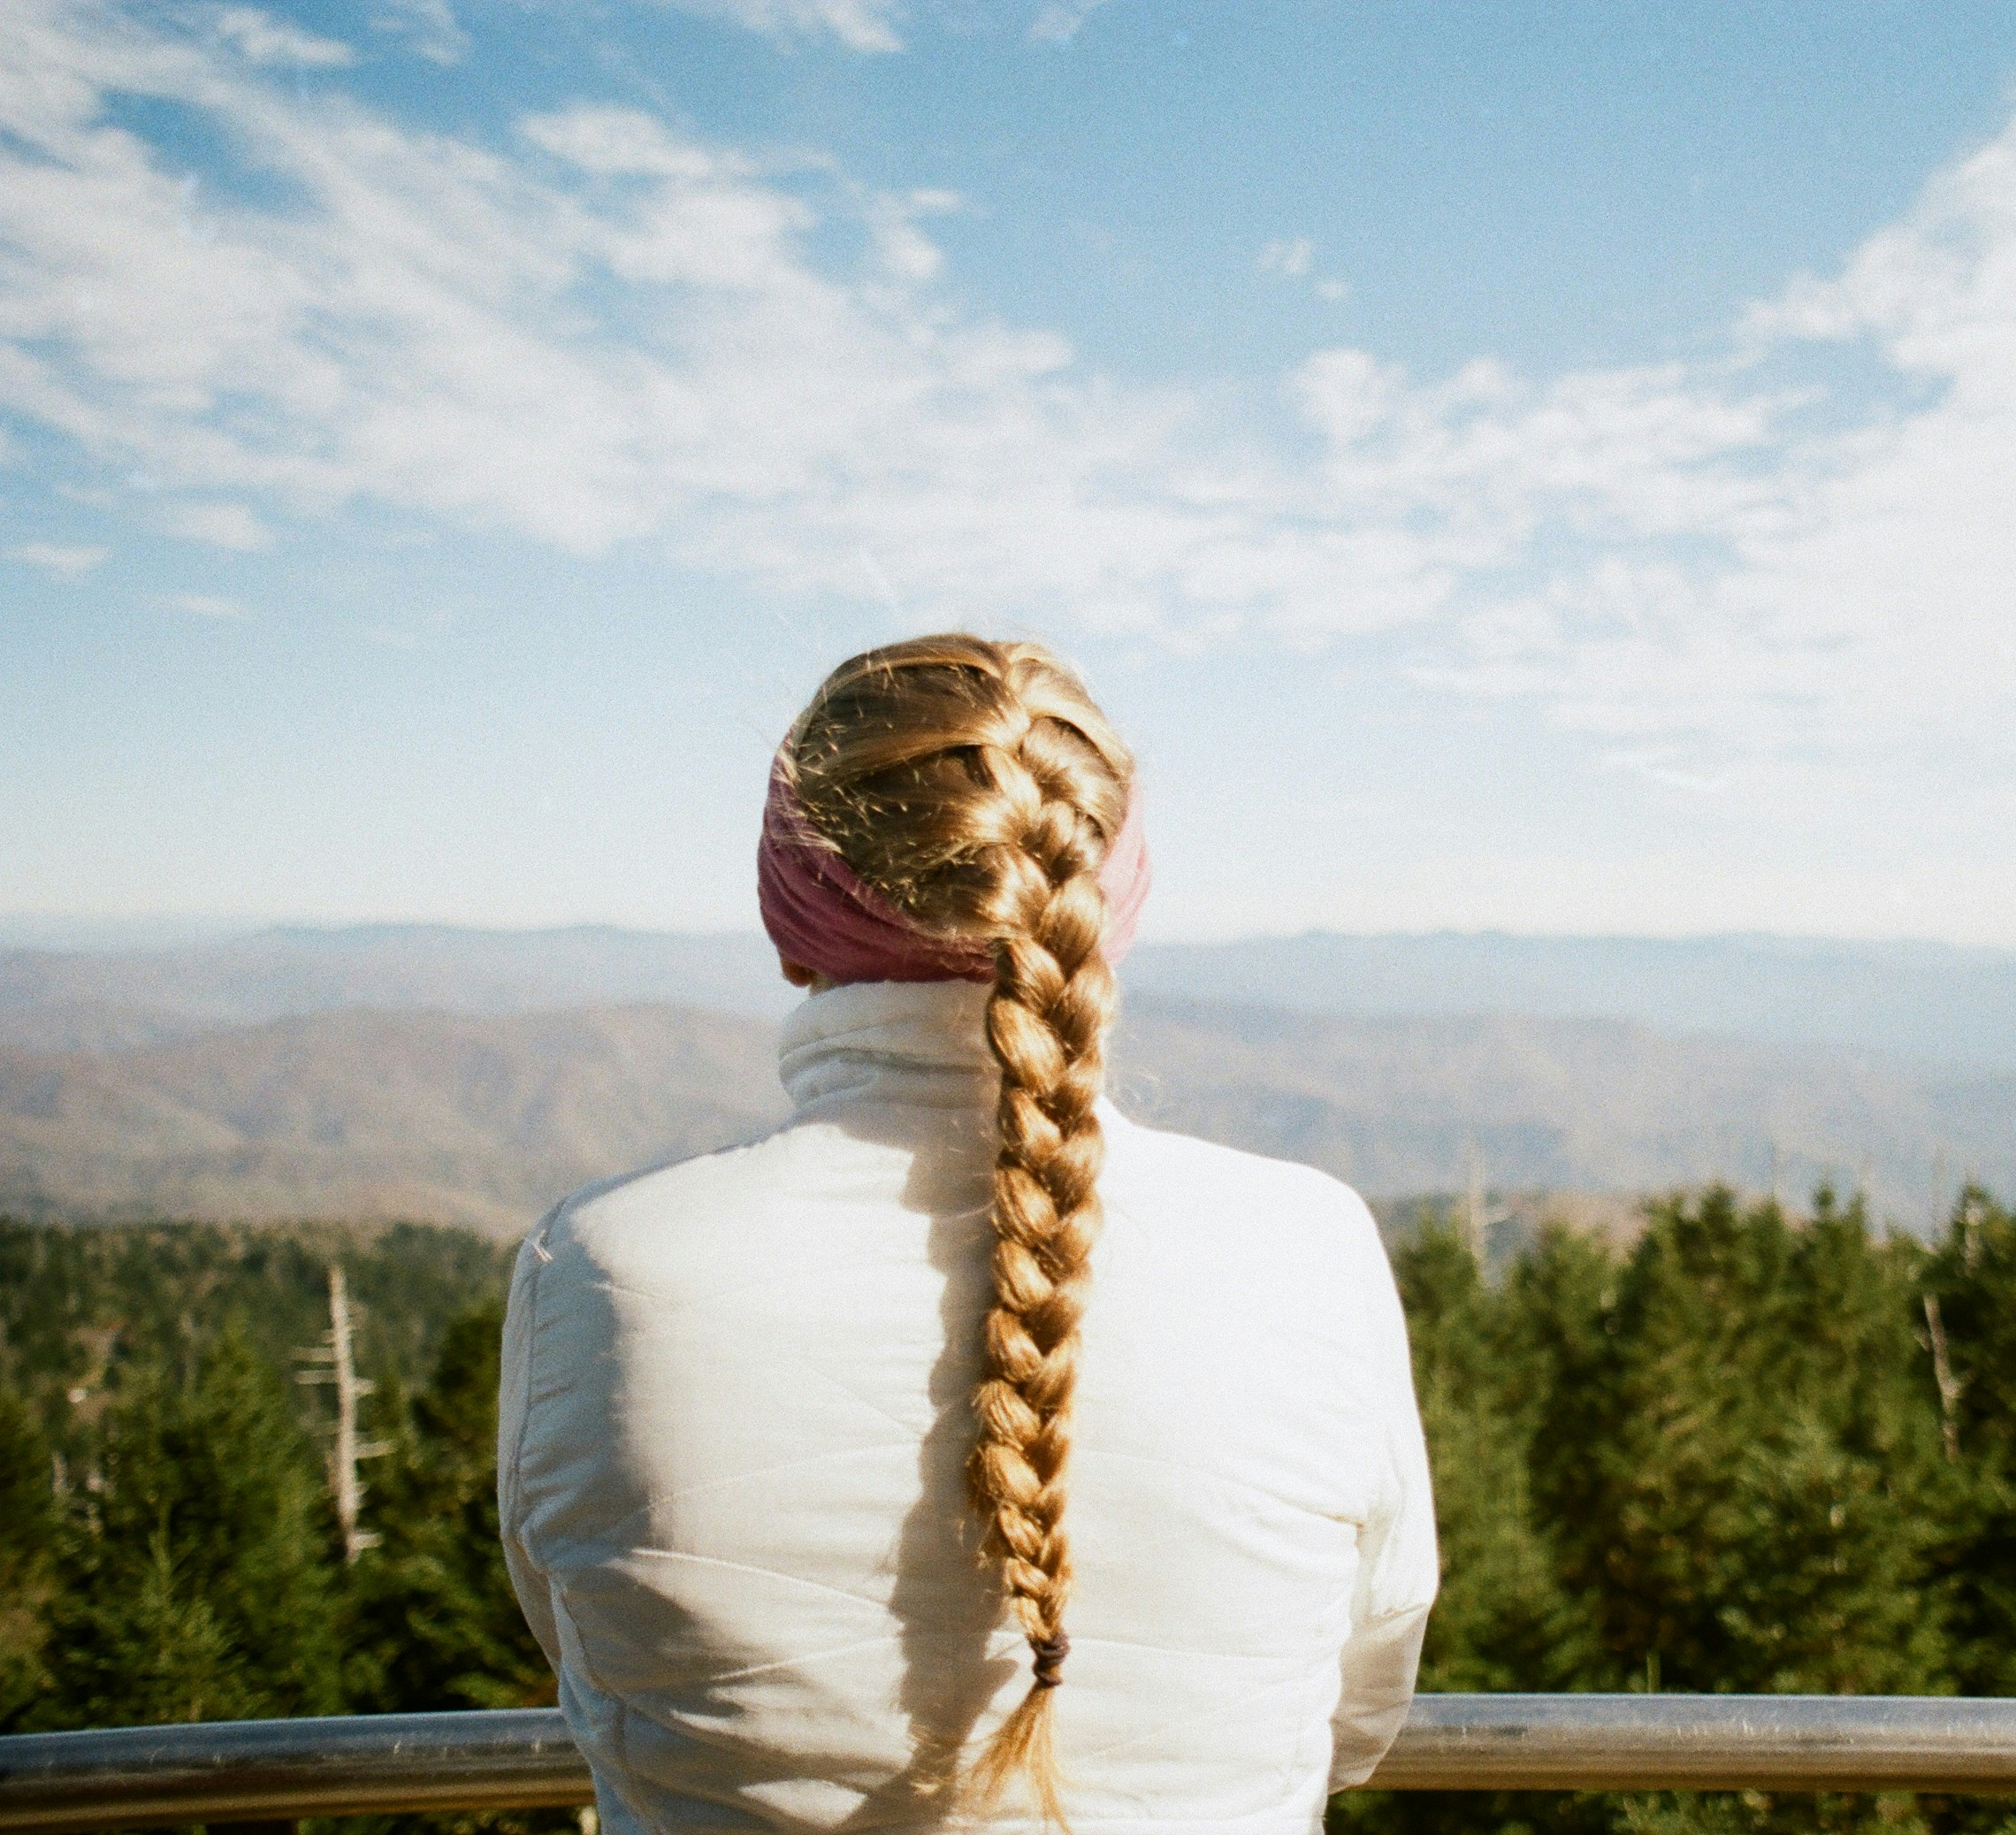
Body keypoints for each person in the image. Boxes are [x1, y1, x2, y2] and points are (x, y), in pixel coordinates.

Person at [498, 636, 1437, 1835]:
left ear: (790, 927)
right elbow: (1354, 1716)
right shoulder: (1311, 1252)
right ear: (1107, 917)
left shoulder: (593, 1269)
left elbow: (593, 1655)